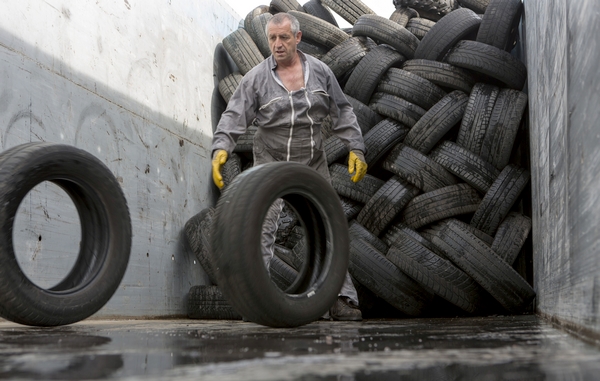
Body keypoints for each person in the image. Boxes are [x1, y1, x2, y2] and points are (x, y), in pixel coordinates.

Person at [211, 12, 367, 321]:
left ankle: (340, 299)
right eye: (272, 38)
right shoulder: (256, 78)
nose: (277, 44)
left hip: (311, 163)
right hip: (270, 163)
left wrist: (356, 149)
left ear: (297, 38)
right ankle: (254, 300)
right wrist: (221, 148)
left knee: (327, 228)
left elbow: (343, 111)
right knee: (260, 226)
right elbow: (234, 115)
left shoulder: (321, 73)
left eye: (284, 37)